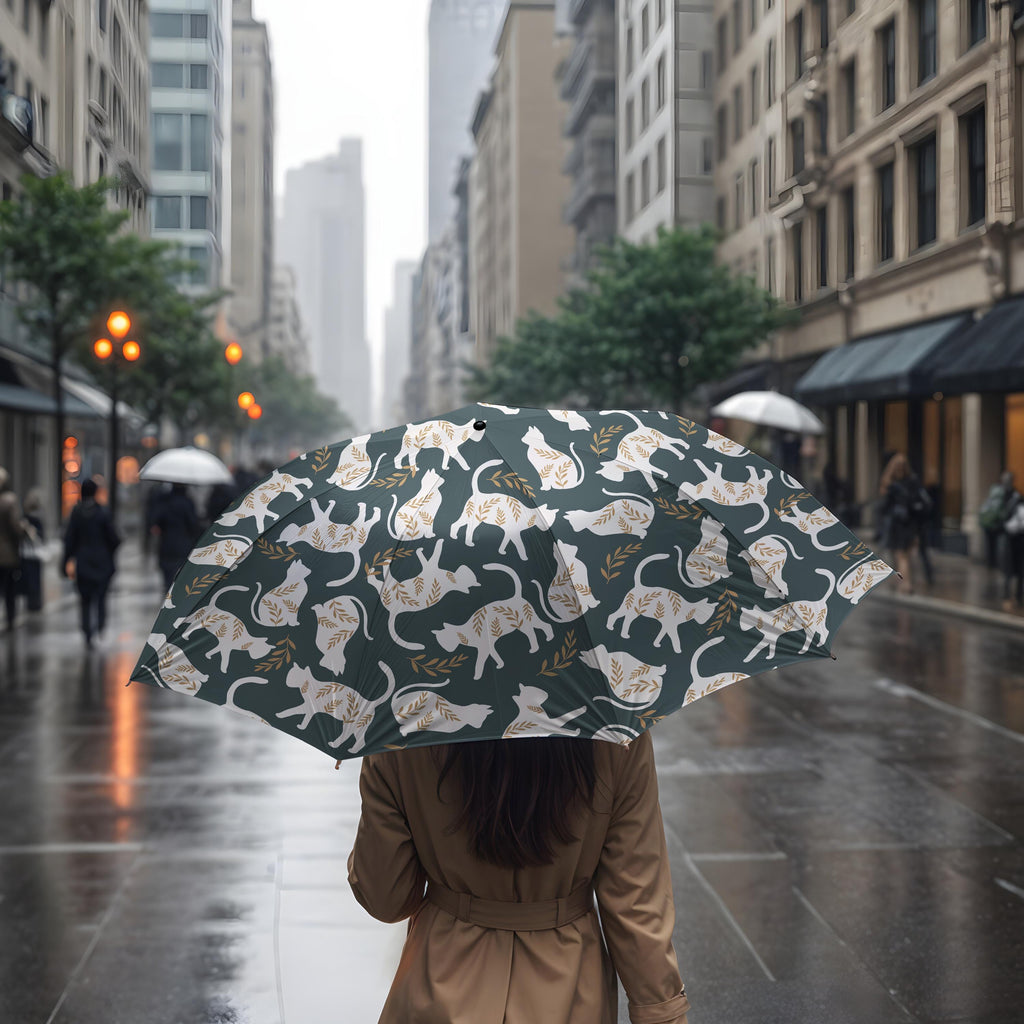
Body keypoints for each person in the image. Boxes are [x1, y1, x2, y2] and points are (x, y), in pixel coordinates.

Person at [348, 733, 690, 1024]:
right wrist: (664, 1012)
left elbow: (386, 897)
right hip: (570, 988)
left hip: (438, 977)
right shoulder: (616, 730)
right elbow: (636, 902)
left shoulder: (403, 724)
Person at [63, 479, 121, 648]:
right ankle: (100, 624)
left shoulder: (76, 513)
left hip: (83, 562)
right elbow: (114, 538)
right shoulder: (103, 513)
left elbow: (69, 539)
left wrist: (66, 560)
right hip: (101, 562)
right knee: (101, 596)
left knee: (85, 599)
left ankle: (87, 631)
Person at [879, 453, 923, 595]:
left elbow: (884, 507)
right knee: (907, 556)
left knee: (900, 557)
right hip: (911, 524)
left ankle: (905, 584)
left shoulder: (890, 484)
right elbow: (917, 503)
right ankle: (904, 582)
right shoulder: (912, 481)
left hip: (896, 525)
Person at [151, 483, 200, 589]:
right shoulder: (187, 502)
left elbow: (157, 522)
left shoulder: (165, 502)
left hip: (167, 545)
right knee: (183, 576)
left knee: (168, 577)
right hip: (184, 545)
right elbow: (193, 524)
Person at [0, 467, 27, 630]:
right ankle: (10, 619)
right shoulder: (9, 501)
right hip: (7, 552)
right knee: (10, 588)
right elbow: (15, 526)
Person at [979, 471, 1020, 569]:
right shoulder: (1009, 493)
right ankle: (997, 564)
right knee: (1000, 547)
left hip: (995, 524)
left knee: (993, 546)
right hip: (1000, 524)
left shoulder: (997, 491)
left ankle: (993, 563)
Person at [19, 488, 46, 612]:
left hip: (28, 553)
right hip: (33, 553)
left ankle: (33, 603)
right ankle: (35, 602)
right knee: (34, 579)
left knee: (31, 579)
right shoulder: (35, 518)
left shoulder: (29, 518)